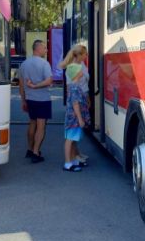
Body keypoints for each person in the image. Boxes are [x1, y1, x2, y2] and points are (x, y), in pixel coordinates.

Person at [19, 40, 53, 163]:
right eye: (44, 48)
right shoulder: (45, 64)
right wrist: (35, 86)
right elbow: (49, 81)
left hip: (30, 99)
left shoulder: (24, 64)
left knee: (32, 123)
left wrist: (23, 100)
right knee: (41, 126)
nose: (46, 50)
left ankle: (30, 149)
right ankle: (35, 152)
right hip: (42, 99)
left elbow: (21, 84)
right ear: (38, 49)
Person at [59, 44, 91, 172]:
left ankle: (73, 160)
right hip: (74, 117)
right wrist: (80, 119)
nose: (82, 74)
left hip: (73, 116)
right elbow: (75, 104)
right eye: (80, 73)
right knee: (70, 140)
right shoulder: (74, 88)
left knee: (72, 139)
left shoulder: (74, 86)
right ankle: (68, 163)